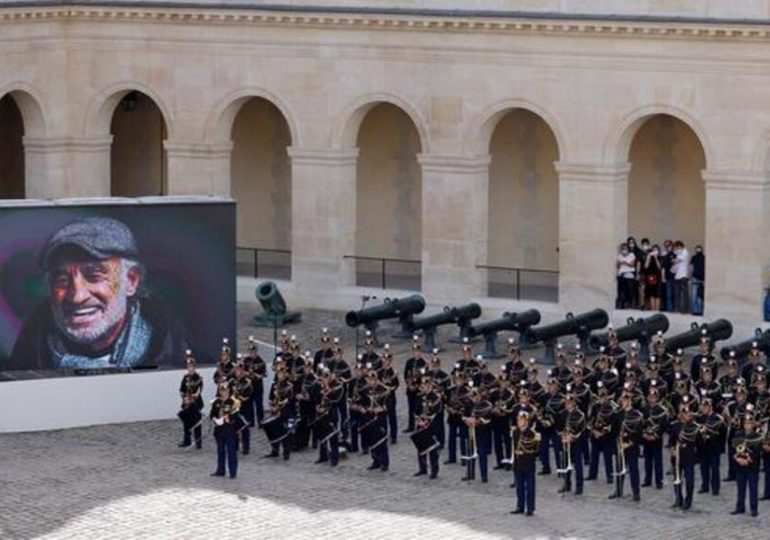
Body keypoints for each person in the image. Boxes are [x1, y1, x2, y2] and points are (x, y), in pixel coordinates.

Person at [9, 217, 191, 370]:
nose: (77, 296)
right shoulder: (29, 351)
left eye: (93, 276)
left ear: (131, 281)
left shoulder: (177, 350)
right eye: (62, 279)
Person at [610, 392, 643, 501]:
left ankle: (636, 493)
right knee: (619, 468)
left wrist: (629, 443)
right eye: (622, 400)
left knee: (634, 470)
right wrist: (617, 446)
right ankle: (618, 490)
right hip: (620, 446)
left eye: (625, 400)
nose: (623, 402)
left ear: (630, 401)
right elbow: (614, 431)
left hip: (631, 446)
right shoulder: (617, 414)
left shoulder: (637, 415)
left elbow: (638, 432)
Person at [732, 410, 762, 517]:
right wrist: (739, 459)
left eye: (749, 423)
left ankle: (754, 509)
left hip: (752, 466)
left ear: (753, 424)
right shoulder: (738, 434)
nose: (747, 425)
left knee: (753, 488)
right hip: (740, 465)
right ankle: (740, 507)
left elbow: (758, 452)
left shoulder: (757, 436)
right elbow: (734, 449)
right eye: (745, 423)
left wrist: (749, 459)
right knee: (741, 488)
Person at [510, 411, 541, 517]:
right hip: (518, 462)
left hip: (528, 463)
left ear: (527, 421)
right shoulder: (515, 432)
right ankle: (520, 506)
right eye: (518, 420)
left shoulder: (534, 434)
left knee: (530, 487)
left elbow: (537, 450)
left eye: (522, 420)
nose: (519, 422)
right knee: (519, 487)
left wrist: (528, 452)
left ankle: (530, 508)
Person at [210, 382, 240, 479]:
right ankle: (220, 470)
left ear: (229, 390)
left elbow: (235, 416)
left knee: (231, 452)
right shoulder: (216, 402)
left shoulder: (234, 402)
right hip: (219, 431)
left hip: (230, 431)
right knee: (220, 452)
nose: (224, 392)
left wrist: (226, 418)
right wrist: (215, 419)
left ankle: (233, 472)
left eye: (226, 390)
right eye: (222, 390)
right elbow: (212, 413)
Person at [177, 353, 203, 449]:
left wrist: (191, 398)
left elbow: (198, 391)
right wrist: (185, 398)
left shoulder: (198, 378)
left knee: (197, 422)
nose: (190, 368)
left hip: (195, 403)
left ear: (194, 367)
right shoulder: (185, 378)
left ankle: (198, 442)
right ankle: (187, 440)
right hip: (186, 403)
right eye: (188, 367)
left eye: (191, 366)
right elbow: (181, 390)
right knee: (186, 422)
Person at [642, 244, 663, 311]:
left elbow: (659, 267)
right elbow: (645, 267)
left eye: (656, 250)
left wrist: (656, 257)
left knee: (657, 294)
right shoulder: (649, 258)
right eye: (653, 250)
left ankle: (657, 309)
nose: (655, 251)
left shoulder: (660, 258)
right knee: (651, 293)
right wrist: (648, 257)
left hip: (657, 277)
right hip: (650, 277)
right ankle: (652, 309)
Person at [672, 240, 690, 314]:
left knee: (684, 294)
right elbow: (677, 265)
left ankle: (685, 310)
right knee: (677, 294)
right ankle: (677, 309)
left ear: (680, 247)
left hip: (683, 275)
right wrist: (673, 268)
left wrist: (674, 260)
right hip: (678, 276)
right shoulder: (679, 254)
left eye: (676, 248)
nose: (676, 250)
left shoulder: (685, 252)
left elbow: (679, 260)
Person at [616, 243, 636, 309]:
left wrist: (625, 262)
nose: (624, 249)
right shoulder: (619, 256)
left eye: (625, 248)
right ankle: (622, 304)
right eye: (623, 248)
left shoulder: (631, 255)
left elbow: (632, 264)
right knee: (621, 290)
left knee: (630, 290)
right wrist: (619, 263)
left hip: (629, 274)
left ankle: (630, 304)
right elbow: (618, 266)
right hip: (621, 274)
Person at [690, 245, 705, 315]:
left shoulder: (704, 258)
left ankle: (699, 311)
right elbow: (691, 267)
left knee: (700, 296)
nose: (698, 250)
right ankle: (694, 311)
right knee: (694, 295)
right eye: (697, 249)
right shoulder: (693, 257)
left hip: (702, 279)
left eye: (700, 249)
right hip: (695, 278)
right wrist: (690, 277)